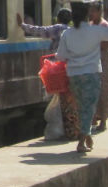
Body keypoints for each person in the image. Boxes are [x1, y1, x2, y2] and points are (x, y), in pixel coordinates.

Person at [55, 0, 108, 154]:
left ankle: (86, 135)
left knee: (80, 107)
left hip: (74, 75)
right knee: (89, 108)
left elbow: (61, 56)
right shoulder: (95, 30)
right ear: (86, 14)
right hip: (91, 73)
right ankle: (81, 141)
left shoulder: (67, 33)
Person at [18, 8, 78, 140]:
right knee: (67, 102)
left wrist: (22, 26)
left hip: (58, 70)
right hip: (71, 69)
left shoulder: (59, 28)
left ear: (58, 19)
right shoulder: (72, 31)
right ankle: (69, 129)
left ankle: (59, 130)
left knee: (57, 99)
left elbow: (41, 31)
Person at [89, 0, 108, 133]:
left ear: (99, 11)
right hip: (91, 59)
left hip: (103, 57)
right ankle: (93, 119)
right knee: (92, 89)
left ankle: (103, 120)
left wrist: (95, 44)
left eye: (93, 10)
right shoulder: (89, 25)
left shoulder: (105, 25)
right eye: (90, 10)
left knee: (103, 89)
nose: (90, 13)